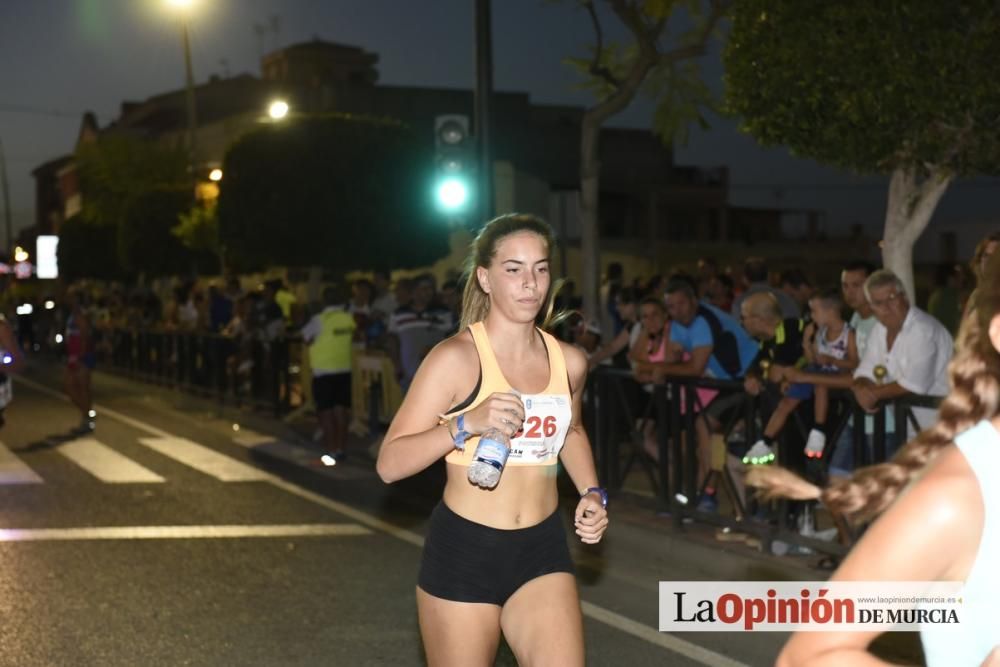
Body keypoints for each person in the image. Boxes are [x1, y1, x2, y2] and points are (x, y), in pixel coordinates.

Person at [376, 214, 608, 667]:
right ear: (485, 277)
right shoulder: (455, 359)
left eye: (540, 269)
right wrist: (466, 424)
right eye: (513, 269)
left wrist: (592, 493)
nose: (530, 284)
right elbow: (389, 463)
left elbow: (572, 431)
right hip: (466, 552)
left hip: (542, 548)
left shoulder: (570, 361)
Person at [757, 251, 1000, 667]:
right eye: (879, 300)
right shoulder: (958, 496)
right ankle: (850, 546)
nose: (887, 307)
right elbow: (809, 656)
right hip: (902, 429)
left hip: (901, 422)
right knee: (837, 470)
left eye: (893, 299)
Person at [301, 285, 355, 466]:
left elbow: (306, 337)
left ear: (324, 301)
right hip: (344, 370)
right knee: (341, 411)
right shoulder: (348, 318)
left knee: (325, 412)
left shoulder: (320, 319)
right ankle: (341, 449)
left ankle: (330, 450)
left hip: (323, 372)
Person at [65, 288, 97, 433]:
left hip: (81, 356)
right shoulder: (73, 314)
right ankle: (87, 414)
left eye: (71, 297)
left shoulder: (80, 315)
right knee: (71, 387)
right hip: (74, 355)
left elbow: (84, 336)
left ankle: (87, 418)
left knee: (82, 387)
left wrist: (80, 356)